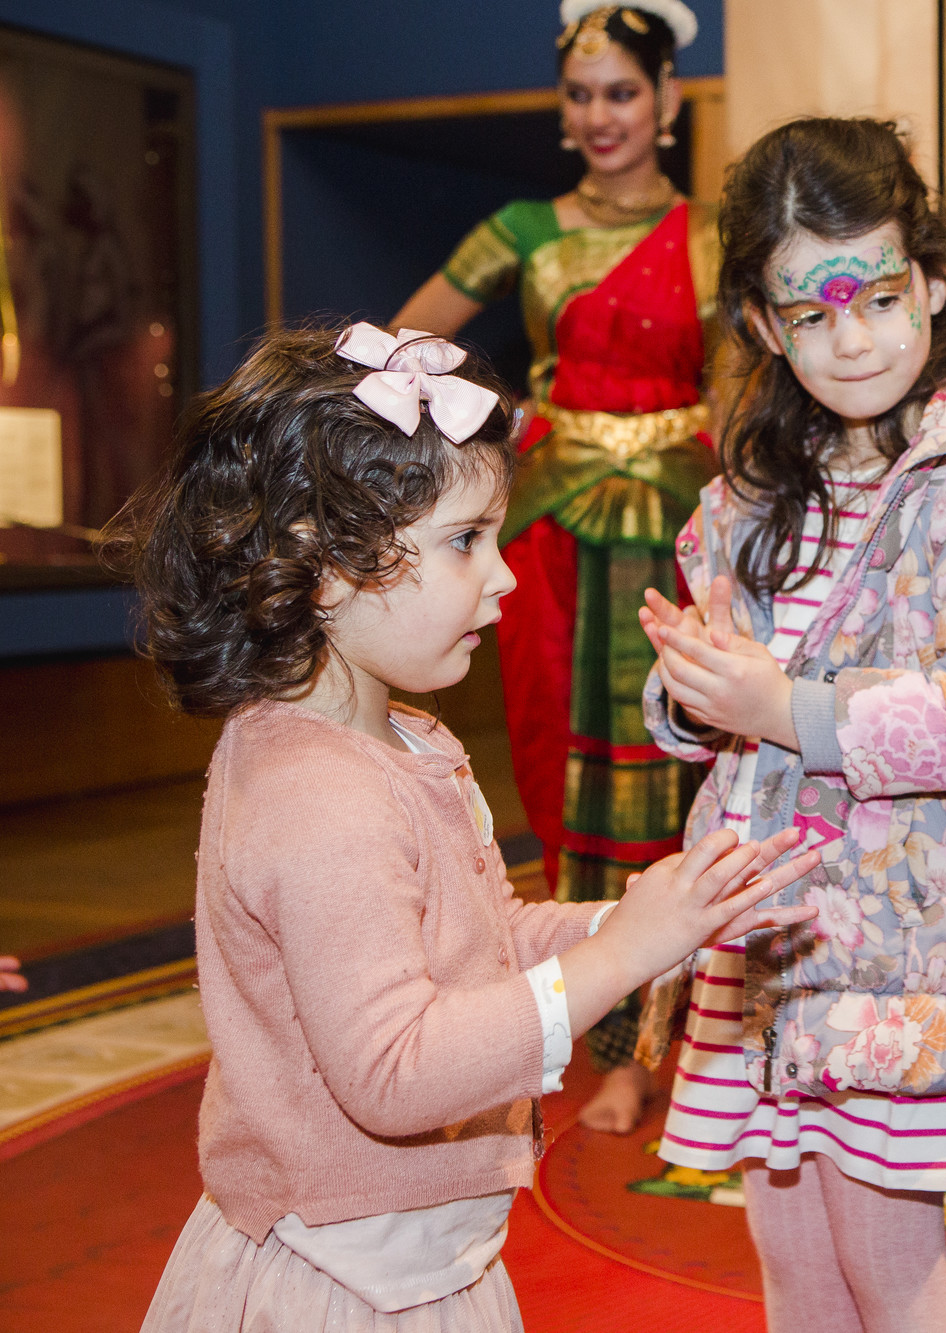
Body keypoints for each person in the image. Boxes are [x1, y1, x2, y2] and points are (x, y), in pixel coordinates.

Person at [110, 323, 820, 1332]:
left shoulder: (405, 740)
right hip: (342, 1283)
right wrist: (618, 957)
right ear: (326, 567)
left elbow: (475, 941)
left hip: (421, 1255)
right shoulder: (317, 793)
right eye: (464, 540)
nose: (507, 576)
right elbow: (394, 1073)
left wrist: (633, 918)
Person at [634, 118, 946, 1333]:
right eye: (810, 312)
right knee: (792, 1268)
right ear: (760, 325)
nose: (851, 340)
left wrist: (779, 706)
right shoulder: (751, 497)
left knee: (889, 1271)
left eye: (878, 297)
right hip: (765, 939)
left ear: (932, 286)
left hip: (902, 945)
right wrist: (694, 686)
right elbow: (719, 705)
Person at [391, 0, 717, 1135]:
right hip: (547, 522)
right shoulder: (521, 226)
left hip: (669, 524)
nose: (598, 116)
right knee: (553, 774)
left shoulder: (711, 235)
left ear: (669, 103)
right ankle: (577, 1015)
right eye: (579, 95)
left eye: (621, 92)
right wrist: (499, 429)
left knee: (651, 780)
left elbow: (746, 383)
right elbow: (402, 355)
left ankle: (644, 1048)